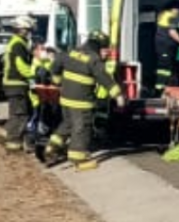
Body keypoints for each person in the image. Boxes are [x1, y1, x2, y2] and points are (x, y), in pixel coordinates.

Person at [46, 30, 125, 171]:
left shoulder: (71, 52)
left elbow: (56, 64)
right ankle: (79, 160)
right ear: (99, 46)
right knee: (82, 129)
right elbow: (104, 78)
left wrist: (57, 80)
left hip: (65, 99)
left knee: (68, 124)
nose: (107, 53)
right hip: (81, 102)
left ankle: (52, 146)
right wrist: (118, 96)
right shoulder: (93, 59)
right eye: (106, 49)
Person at [1, 15, 36, 152]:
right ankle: (13, 144)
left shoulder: (14, 42)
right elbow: (21, 65)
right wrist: (34, 75)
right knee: (20, 114)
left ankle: (8, 136)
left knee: (16, 113)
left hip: (12, 83)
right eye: (28, 30)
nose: (29, 33)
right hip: (16, 83)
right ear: (22, 29)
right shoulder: (19, 44)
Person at [154, 0, 179, 96]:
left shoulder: (163, 15)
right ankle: (159, 90)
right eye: (178, 10)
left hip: (162, 46)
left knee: (165, 68)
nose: (178, 12)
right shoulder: (170, 17)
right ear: (174, 9)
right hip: (164, 47)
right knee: (164, 69)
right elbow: (172, 32)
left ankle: (161, 88)